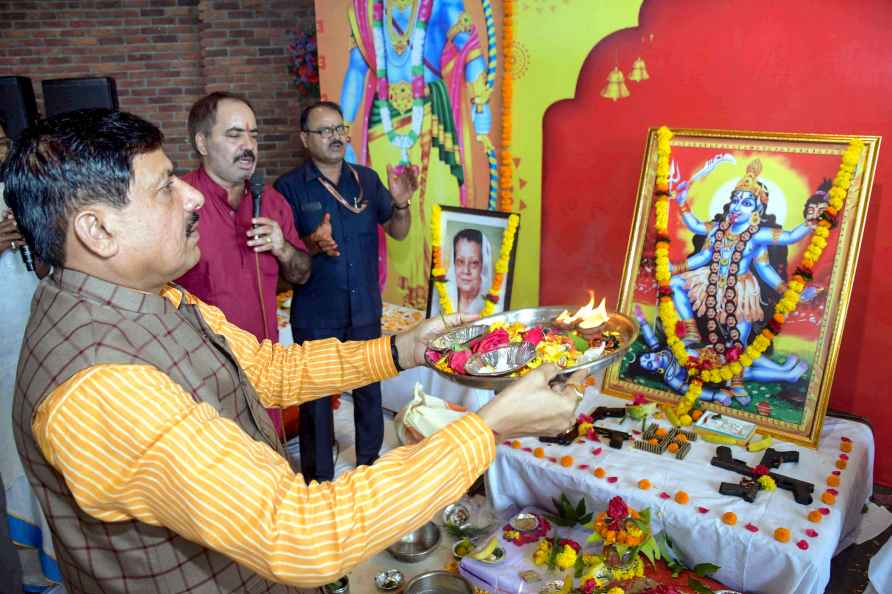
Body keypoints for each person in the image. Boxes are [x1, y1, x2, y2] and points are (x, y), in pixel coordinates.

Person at [4, 108, 580, 593]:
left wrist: (403, 351)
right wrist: (492, 426)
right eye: (163, 187)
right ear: (96, 231)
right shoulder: (99, 387)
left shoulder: (152, 298)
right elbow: (302, 532)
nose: (191, 196)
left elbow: (266, 370)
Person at [274, 100, 417, 483]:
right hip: (317, 312)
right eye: (325, 131)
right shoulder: (286, 188)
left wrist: (401, 203)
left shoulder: (367, 180)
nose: (336, 137)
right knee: (316, 400)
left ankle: (369, 463)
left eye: (340, 129)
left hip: (364, 307)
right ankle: (318, 479)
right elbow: (283, 259)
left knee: (369, 389)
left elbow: (399, 230)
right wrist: (311, 243)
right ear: (305, 139)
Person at [175, 92, 317, 439]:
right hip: (204, 377)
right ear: (202, 143)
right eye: (235, 134)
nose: (248, 145)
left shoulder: (270, 200)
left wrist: (283, 249)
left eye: (253, 134)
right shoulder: (179, 202)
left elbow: (302, 274)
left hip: (264, 370)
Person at [340, 0, 495, 309]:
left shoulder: (440, 5)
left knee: (441, 201)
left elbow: (472, 51)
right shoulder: (366, 11)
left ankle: (448, 306)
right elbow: (357, 71)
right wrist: (341, 130)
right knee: (386, 208)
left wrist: (481, 101)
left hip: (432, 117)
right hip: (383, 122)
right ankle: (395, 306)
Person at [0, 116, 61, 592]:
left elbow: (46, 266)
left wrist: (34, 239)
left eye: (2, 142)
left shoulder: (18, 192)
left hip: (30, 322)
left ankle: (47, 552)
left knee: (36, 432)